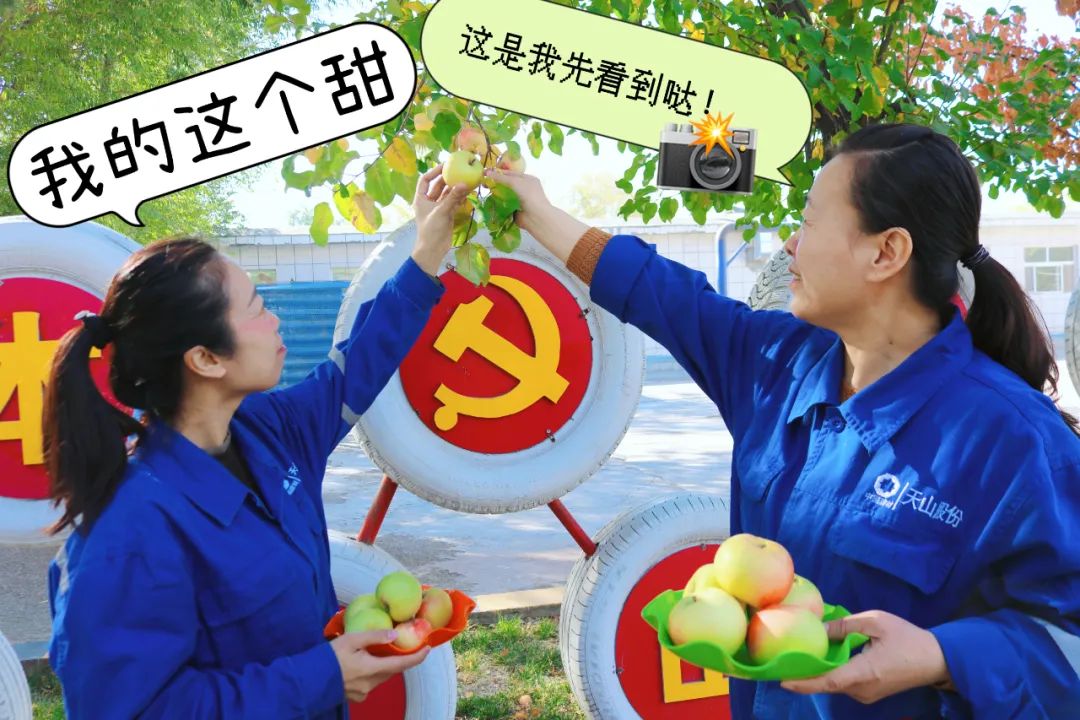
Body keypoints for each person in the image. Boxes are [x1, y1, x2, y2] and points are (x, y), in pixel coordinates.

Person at [487, 123, 1080, 719]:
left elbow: (1069, 644)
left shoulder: (1012, 439)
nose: (791, 244)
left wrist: (942, 657)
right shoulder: (775, 364)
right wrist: (535, 210)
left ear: (886, 253)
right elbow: (656, 291)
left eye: (811, 222)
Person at [42, 166, 469, 718]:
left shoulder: (270, 433)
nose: (275, 320)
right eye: (256, 309)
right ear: (205, 359)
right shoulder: (127, 532)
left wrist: (428, 247)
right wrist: (322, 676)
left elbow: (355, 367)